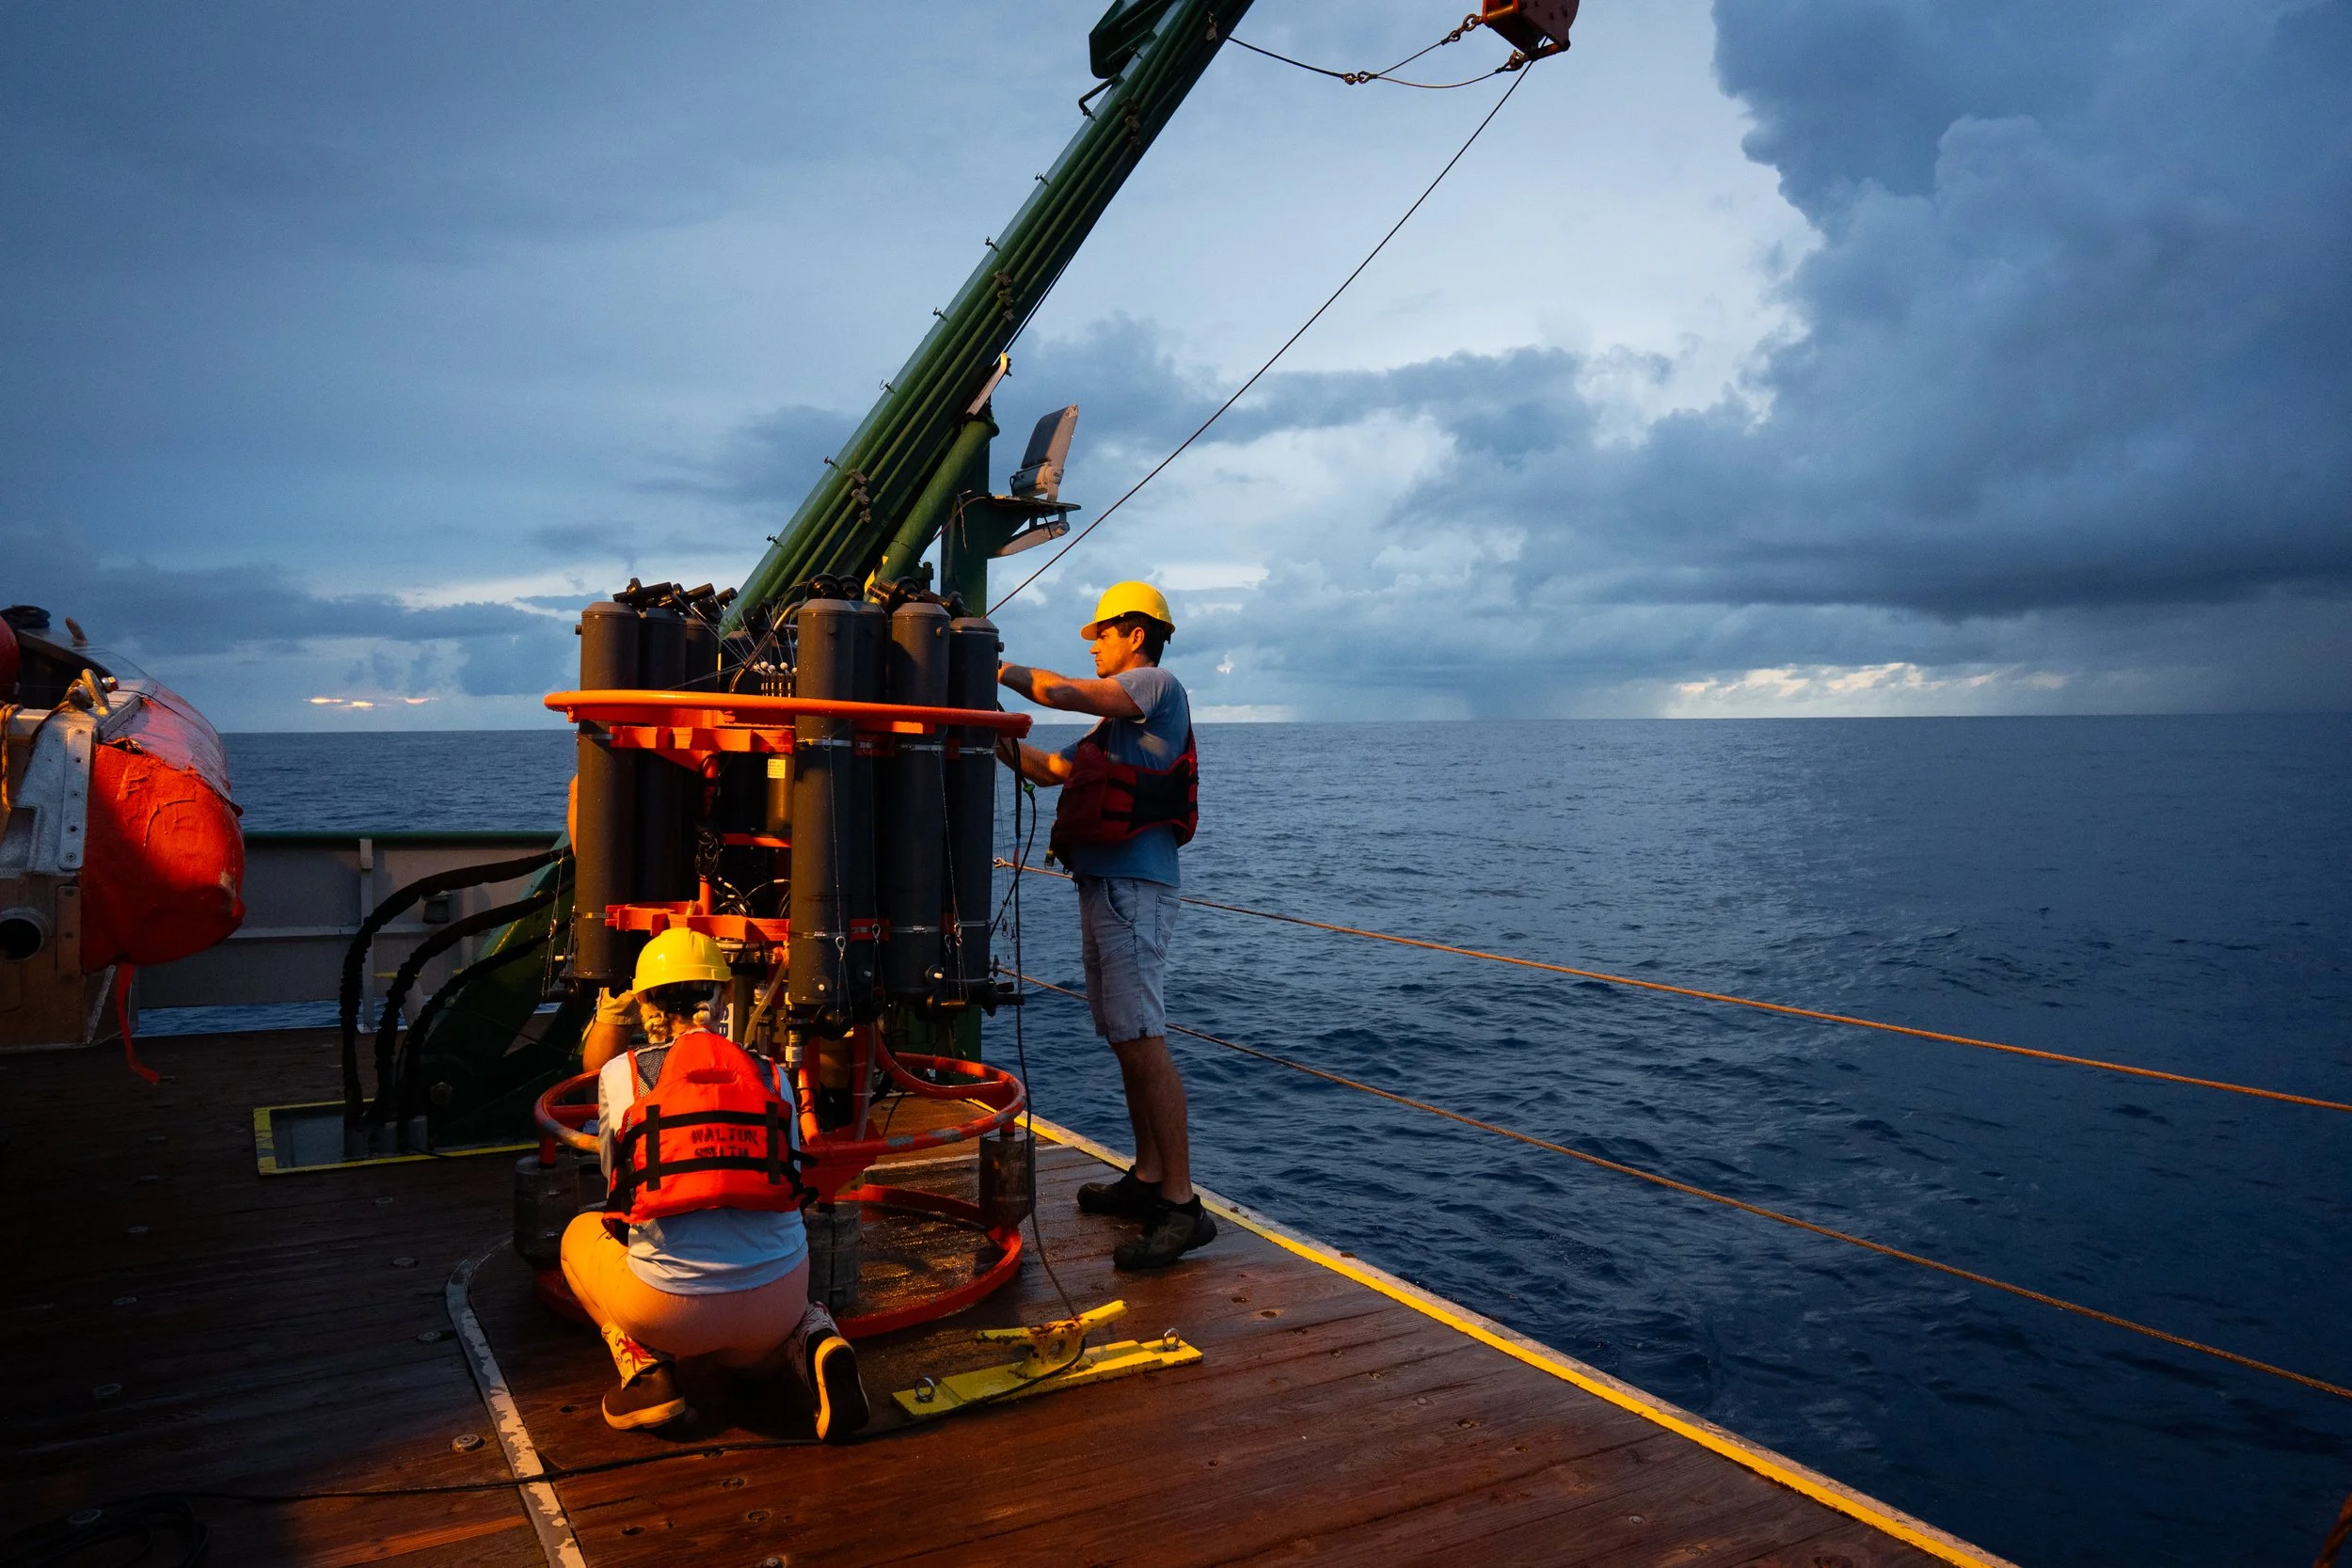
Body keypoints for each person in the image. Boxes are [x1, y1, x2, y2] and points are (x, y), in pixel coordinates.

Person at [560, 927, 869, 1439]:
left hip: (668, 1308)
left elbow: (618, 1179)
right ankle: (817, 1341)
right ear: (721, 996)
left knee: (577, 1236)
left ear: (644, 1002)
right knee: (757, 1358)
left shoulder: (623, 1073)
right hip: (776, 1298)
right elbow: (789, 1175)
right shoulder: (772, 1074)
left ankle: (646, 1374)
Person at [995, 580, 1213, 1270]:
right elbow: (1053, 768)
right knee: (1124, 1035)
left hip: (1135, 887)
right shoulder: (1113, 726)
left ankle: (1182, 1205)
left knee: (1143, 1036)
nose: (1094, 645)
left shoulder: (1156, 685)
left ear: (1137, 634)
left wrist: (990, 667)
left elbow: (1057, 692)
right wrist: (986, 728)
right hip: (1106, 884)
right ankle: (1148, 1178)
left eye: (1103, 633)